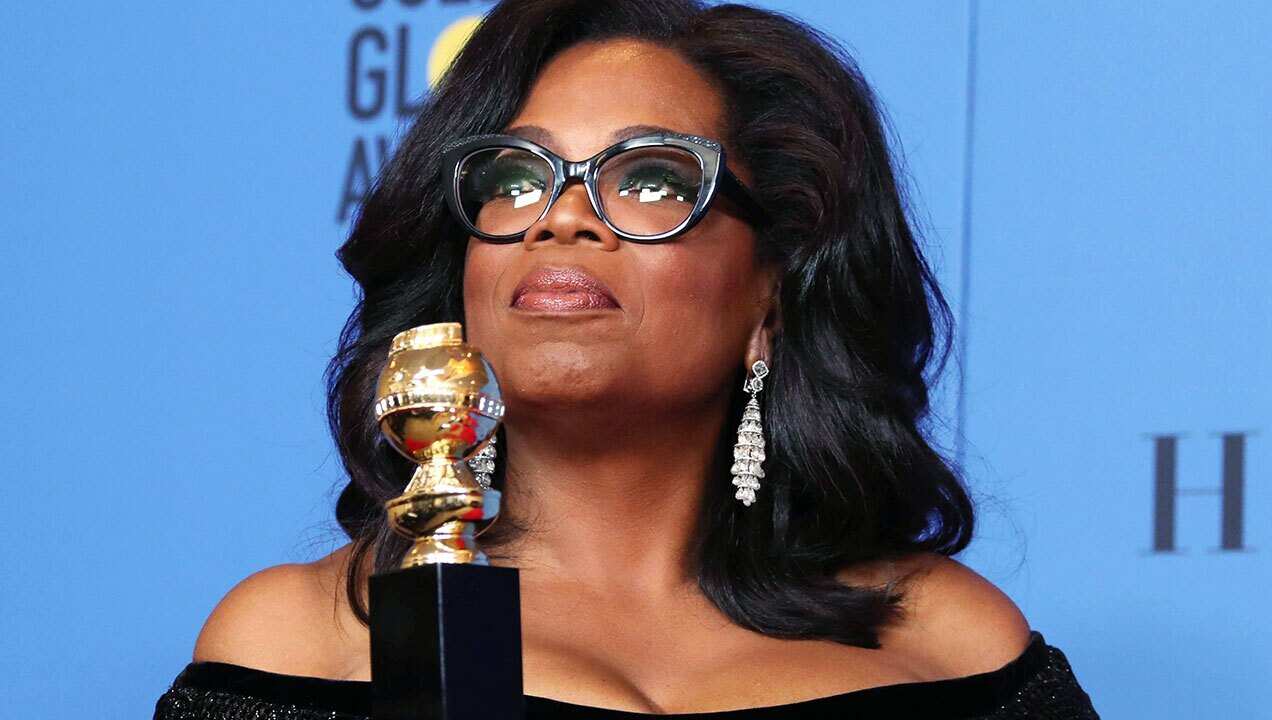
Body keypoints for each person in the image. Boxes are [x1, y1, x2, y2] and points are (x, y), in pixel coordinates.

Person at [154, 0, 1099, 717]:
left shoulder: (950, 643)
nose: (562, 216)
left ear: (770, 290)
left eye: (650, 179)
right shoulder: (306, 642)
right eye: (517, 178)